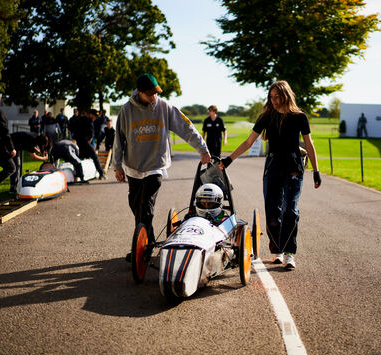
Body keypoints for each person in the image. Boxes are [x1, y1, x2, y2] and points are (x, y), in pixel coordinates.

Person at [219, 80, 321, 269]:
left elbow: (309, 144)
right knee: (273, 210)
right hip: (273, 166)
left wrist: (316, 171)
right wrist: (229, 159)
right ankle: (278, 251)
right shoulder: (266, 117)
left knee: (290, 209)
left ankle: (290, 253)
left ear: (286, 95)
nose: (274, 100)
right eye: (271, 97)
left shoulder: (300, 117)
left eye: (277, 97)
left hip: (293, 167)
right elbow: (249, 142)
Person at [114, 73, 210, 251]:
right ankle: (145, 241)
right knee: (135, 204)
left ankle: (141, 249)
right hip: (133, 167)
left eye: (156, 93)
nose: (154, 97)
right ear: (139, 93)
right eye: (150, 94)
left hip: (155, 166)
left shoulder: (164, 107)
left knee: (146, 205)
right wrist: (117, 165)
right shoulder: (126, 110)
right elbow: (118, 140)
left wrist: (202, 149)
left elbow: (186, 128)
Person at [71, 109, 105, 179]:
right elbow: (90, 135)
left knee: (80, 157)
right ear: (90, 114)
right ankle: (101, 173)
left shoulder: (80, 119)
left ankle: (80, 175)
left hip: (79, 142)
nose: (95, 118)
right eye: (94, 116)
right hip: (84, 142)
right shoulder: (89, 122)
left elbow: (73, 128)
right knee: (94, 156)